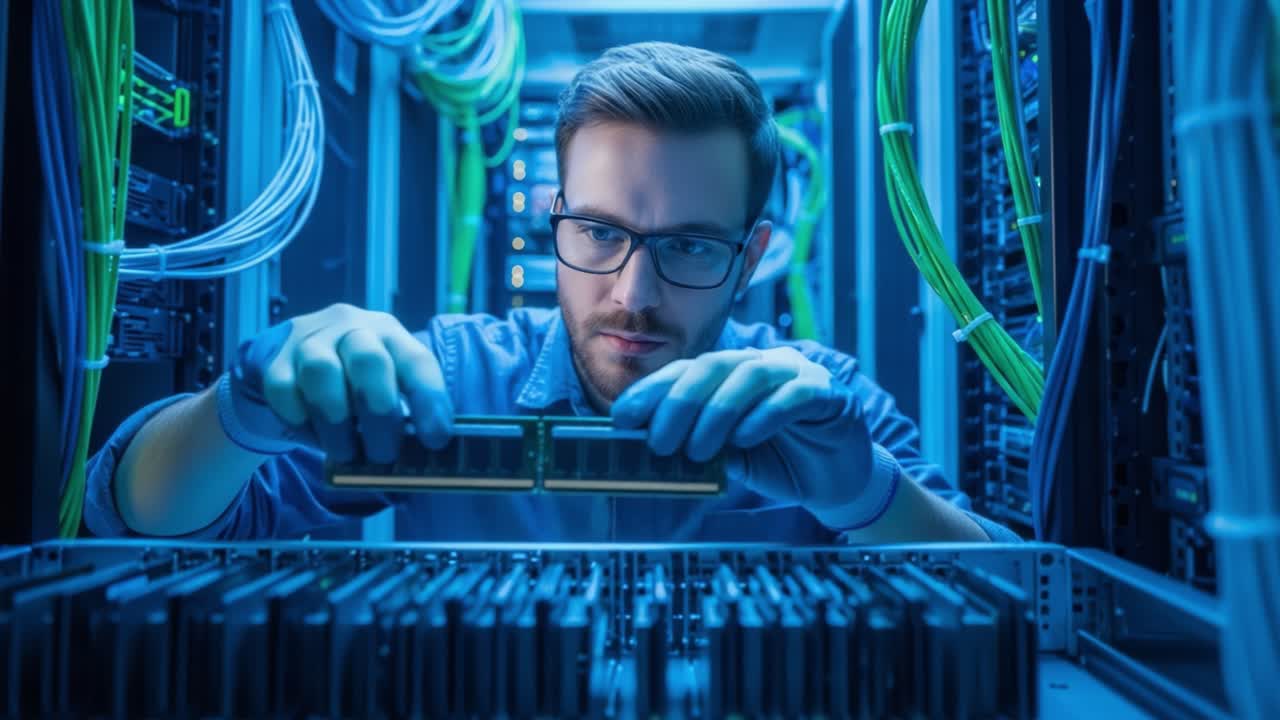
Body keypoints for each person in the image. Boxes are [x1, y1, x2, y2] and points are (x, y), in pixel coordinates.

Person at [84, 42, 1018, 544]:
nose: (634, 292)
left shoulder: (817, 402)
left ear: (752, 254)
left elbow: (1016, 598)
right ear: (557, 223)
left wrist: (864, 496)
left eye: (690, 244)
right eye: (602, 234)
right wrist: (237, 413)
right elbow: (137, 518)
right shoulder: (448, 377)